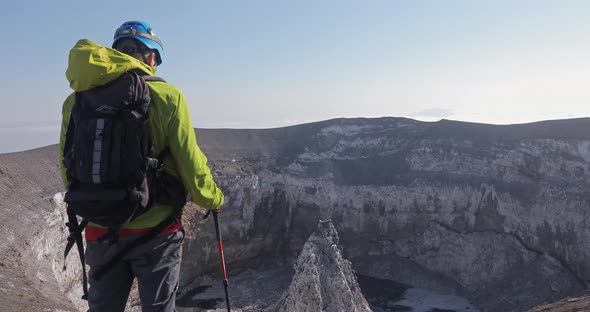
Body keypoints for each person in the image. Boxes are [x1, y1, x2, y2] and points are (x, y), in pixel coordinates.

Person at [59, 20, 224, 312]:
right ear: (150, 57)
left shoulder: (76, 100)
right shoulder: (168, 97)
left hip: (101, 229)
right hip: (156, 230)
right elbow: (191, 164)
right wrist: (213, 198)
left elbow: (67, 166)